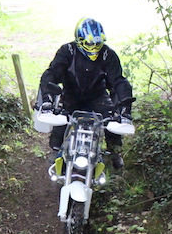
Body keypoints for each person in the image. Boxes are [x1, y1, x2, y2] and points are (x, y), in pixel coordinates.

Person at [38, 17, 133, 169]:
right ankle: (55, 149)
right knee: (61, 118)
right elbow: (51, 74)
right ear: (79, 40)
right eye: (89, 43)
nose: (94, 48)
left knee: (112, 120)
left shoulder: (108, 55)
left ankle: (115, 150)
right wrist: (47, 100)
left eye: (98, 43)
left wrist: (125, 110)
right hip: (71, 94)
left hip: (97, 95)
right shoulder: (67, 51)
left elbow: (119, 81)